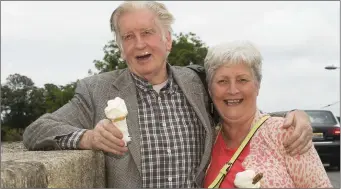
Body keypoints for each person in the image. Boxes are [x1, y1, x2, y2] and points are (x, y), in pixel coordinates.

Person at [23, 1, 312, 188]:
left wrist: (292, 117)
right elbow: (37, 131)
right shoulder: (96, 90)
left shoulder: (197, 81)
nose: (139, 45)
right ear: (120, 47)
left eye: (147, 32)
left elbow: (238, 107)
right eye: (128, 37)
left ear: (167, 40)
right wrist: (88, 138)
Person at [203, 41, 332, 188]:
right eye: (222, 81)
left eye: (242, 80)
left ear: (257, 86)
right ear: (210, 90)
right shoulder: (206, 143)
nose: (233, 90)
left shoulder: (285, 134)